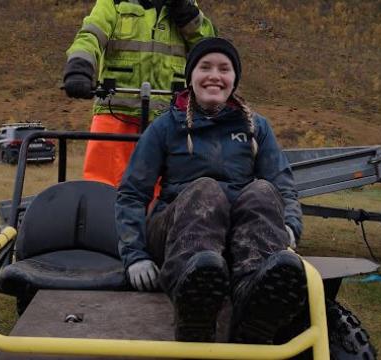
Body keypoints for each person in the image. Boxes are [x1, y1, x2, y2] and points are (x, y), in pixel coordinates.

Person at [115, 37, 306, 344]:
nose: (214, 75)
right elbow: (131, 194)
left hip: (237, 238)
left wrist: (290, 225)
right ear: (191, 77)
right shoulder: (165, 127)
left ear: (234, 79)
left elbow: (283, 186)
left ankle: (253, 300)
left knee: (261, 190)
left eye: (224, 68)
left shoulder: (258, 128)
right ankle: (191, 298)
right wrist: (134, 256)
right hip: (175, 233)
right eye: (205, 67)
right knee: (206, 189)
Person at [63, 0, 216, 187]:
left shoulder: (186, 5)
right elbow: (91, 35)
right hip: (115, 113)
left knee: (170, 193)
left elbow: (209, 48)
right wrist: (79, 67)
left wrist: (188, 15)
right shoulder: (113, 2)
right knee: (101, 187)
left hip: (170, 118)